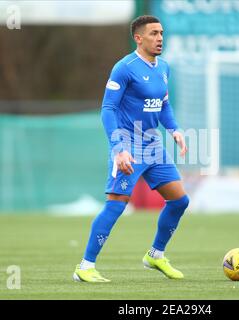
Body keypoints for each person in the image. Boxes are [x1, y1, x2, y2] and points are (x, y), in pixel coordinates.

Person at [73, 15, 189, 282]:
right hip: (128, 146)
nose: (160, 38)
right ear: (138, 38)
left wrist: (175, 130)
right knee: (116, 205)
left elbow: (164, 105)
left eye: (161, 33)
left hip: (153, 145)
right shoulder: (124, 68)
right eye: (153, 33)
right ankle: (85, 267)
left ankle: (155, 255)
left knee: (179, 200)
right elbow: (108, 109)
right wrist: (118, 148)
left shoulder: (164, 68)